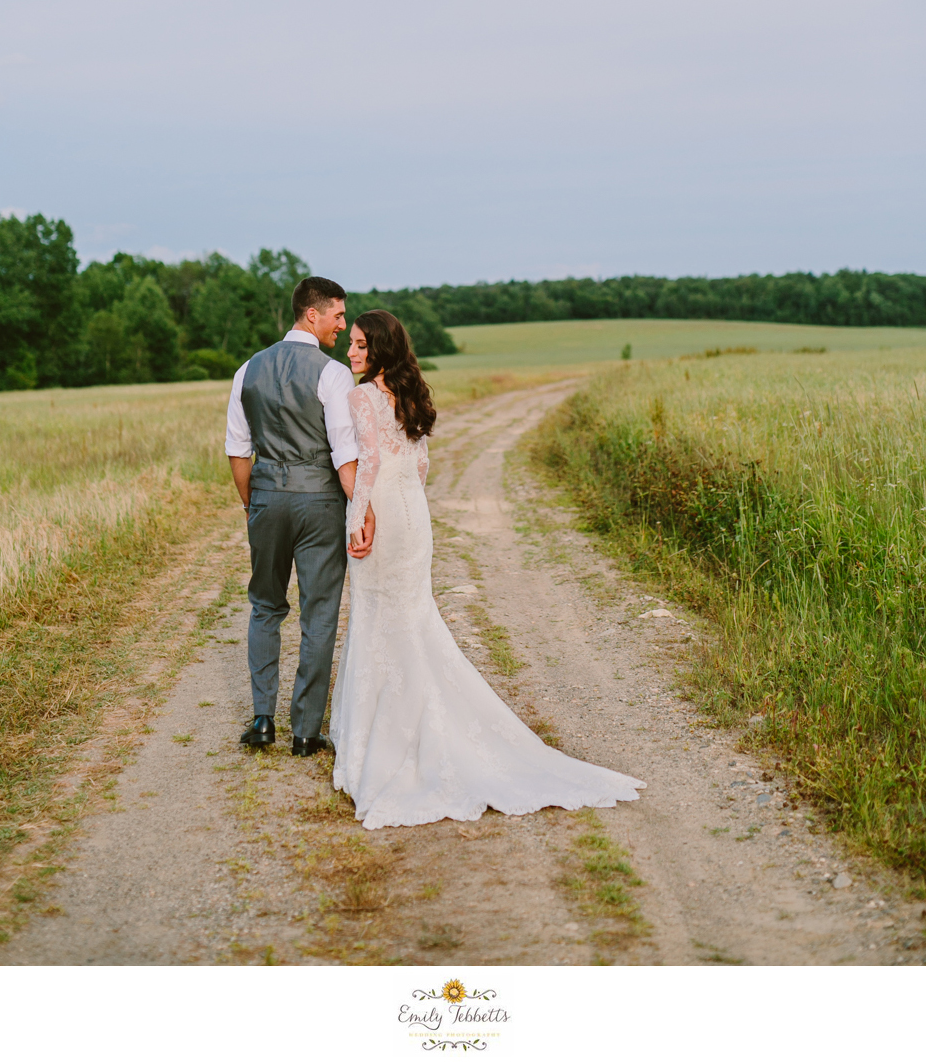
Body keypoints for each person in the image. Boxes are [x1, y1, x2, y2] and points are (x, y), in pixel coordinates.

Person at [329, 309, 645, 829]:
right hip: (414, 513)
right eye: (353, 343)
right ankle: (409, 718)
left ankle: (385, 733)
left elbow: (369, 465)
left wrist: (357, 519)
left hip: (382, 509)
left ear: (380, 349)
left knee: (381, 616)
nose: (351, 352)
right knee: (411, 615)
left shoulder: (362, 397)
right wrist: (405, 504)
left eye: (360, 345)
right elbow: (421, 464)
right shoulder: (409, 394)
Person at [224, 276, 375, 756]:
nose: (341, 325)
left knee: (266, 607)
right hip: (319, 504)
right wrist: (361, 510)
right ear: (312, 314)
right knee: (319, 613)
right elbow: (343, 453)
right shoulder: (331, 374)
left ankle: (263, 720)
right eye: (337, 315)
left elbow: (238, 451)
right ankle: (306, 732)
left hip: (266, 497)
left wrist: (255, 504)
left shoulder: (247, 369)